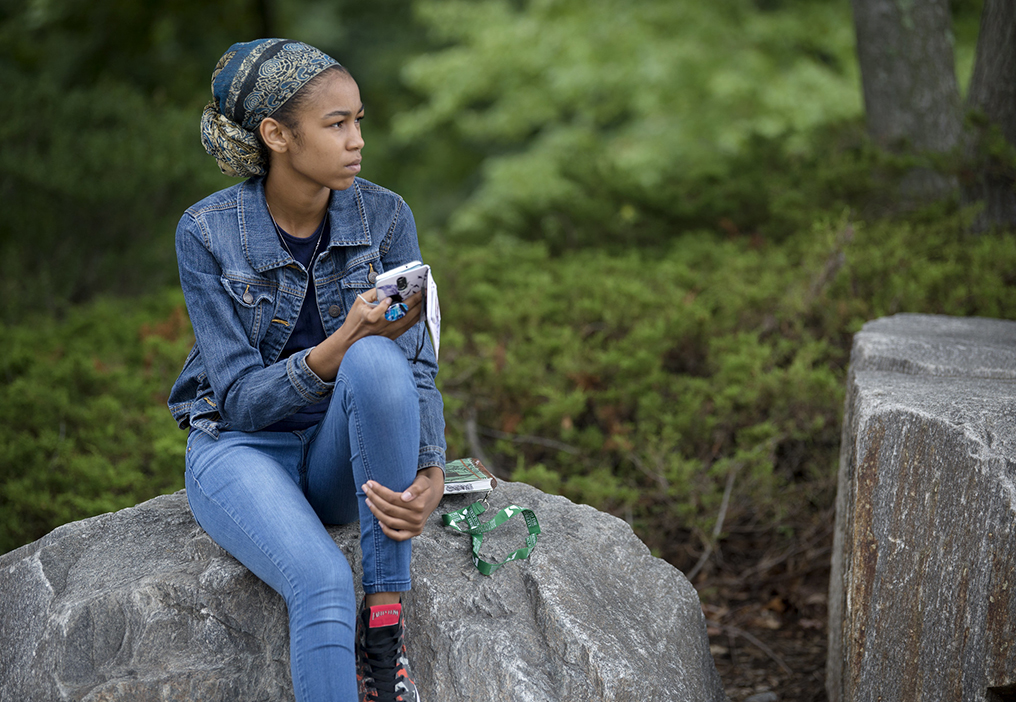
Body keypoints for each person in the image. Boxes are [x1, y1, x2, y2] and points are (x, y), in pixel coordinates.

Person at [167, 38, 445, 702]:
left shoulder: (386, 217)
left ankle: (384, 628)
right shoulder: (206, 233)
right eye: (336, 123)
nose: (357, 141)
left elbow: (416, 365)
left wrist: (429, 472)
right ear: (277, 135)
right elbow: (235, 400)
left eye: (359, 121)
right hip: (241, 451)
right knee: (319, 582)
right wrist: (339, 341)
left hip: (339, 459)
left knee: (381, 358)